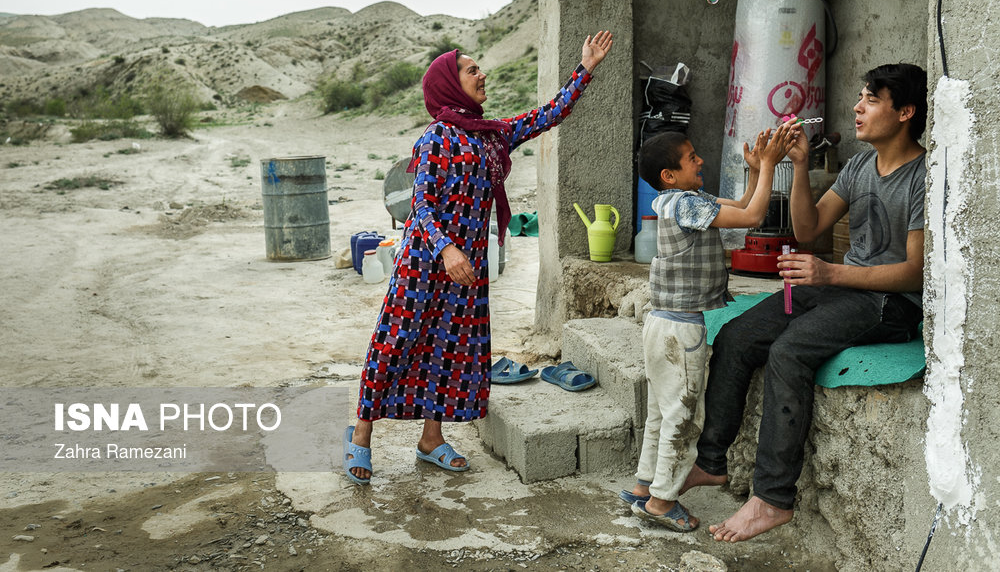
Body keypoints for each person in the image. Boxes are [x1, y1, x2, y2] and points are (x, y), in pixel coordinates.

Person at [343, 31, 615, 484]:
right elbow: (422, 204)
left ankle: (432, 438)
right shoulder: (437, 138)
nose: (482, 73)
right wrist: (445, 248)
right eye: (472, 70)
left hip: (468, 268)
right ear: (450, 84)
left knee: (452, 351)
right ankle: (362, 437)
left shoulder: (492, 137)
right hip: (425, 262)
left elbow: (551, 113)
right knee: (396, 343)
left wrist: (584, 67)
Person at [682, 63, 928, 541]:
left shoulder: (922, 175)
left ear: (905, 113)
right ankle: (711, 462)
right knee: (738, 334)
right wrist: (798, 165)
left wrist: (832, 272)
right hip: (843, 286)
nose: (857, 108)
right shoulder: (859, 166)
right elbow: (809, 229)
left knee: (790, 351)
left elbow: (916, 271)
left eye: (871, 100)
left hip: (891, 303)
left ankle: (772, 499)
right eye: (860, 96)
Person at [622, 124, 794, 531]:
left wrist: (755, 172)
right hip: (681, 333)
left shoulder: (679, 201)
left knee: (661, 415)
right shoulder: (685, 205)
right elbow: (753, 216)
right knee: (684, 419)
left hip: (660, 324)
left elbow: (740, 204)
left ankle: (644, 487)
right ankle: (663, 502)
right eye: (692, 157)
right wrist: (770, 164)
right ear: (669, 175)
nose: (700, 160)